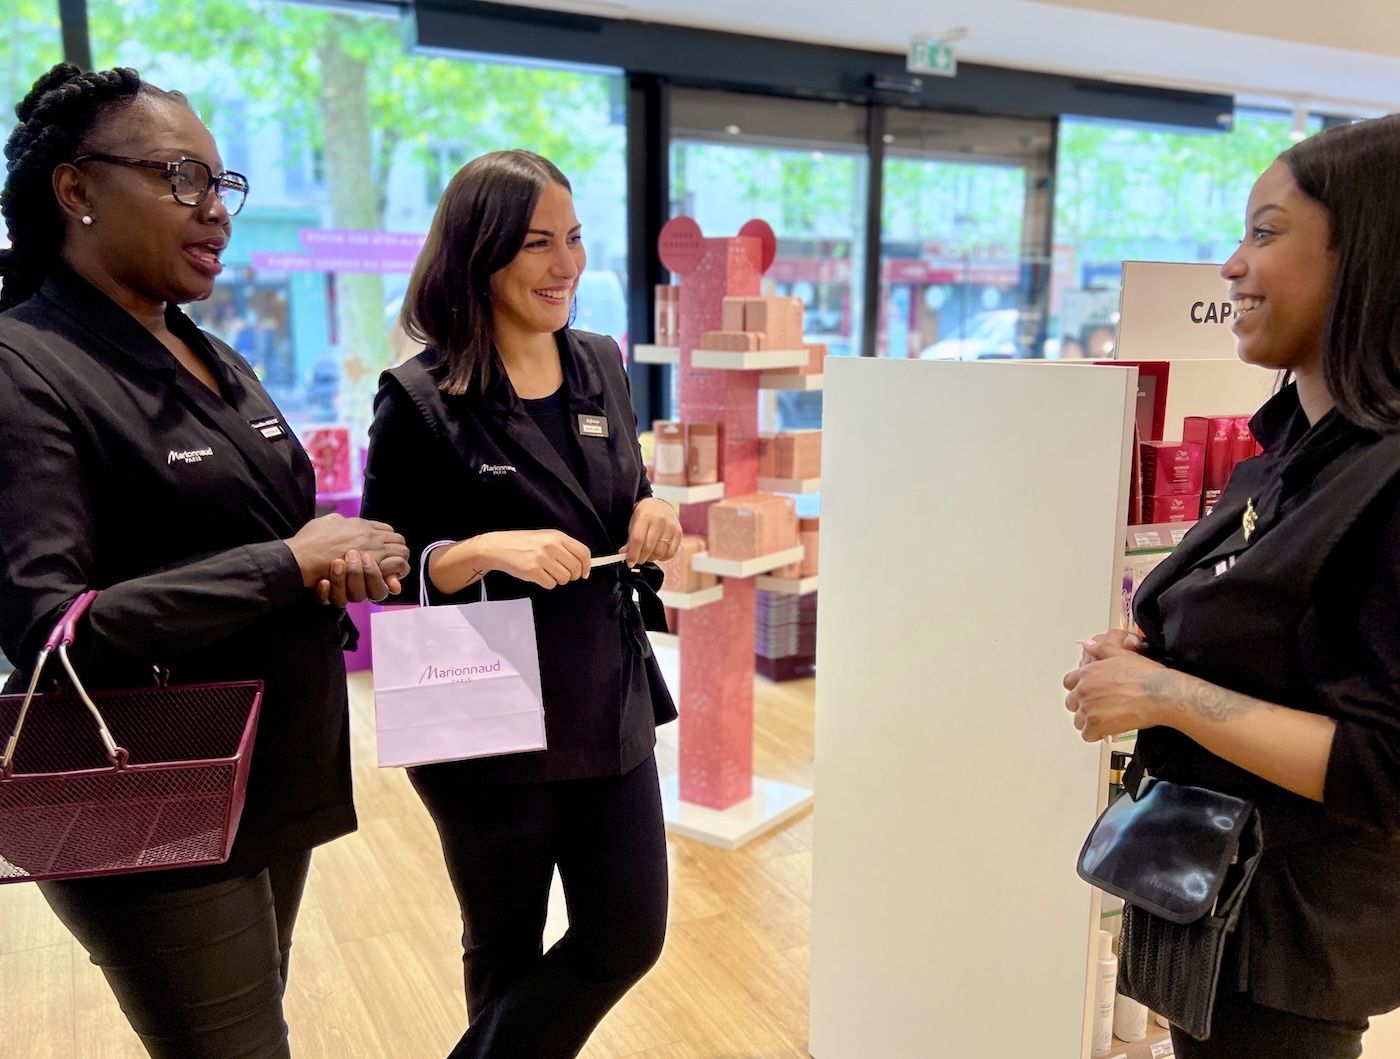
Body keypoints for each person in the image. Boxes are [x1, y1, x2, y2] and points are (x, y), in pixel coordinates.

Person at [0, 64, 411, 1057]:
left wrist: (345, 558)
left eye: (222, 186)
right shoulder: (23, 369)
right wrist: (287, 565)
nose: (215, 212)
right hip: (143, 785)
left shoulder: (212, 354)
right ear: (75, 189)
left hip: (270, 770)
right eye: (182, 178)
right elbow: (49, 630)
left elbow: (256, 537)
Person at [1063, 114, 1400, 1059]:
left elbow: (1387, 767)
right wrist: (1153, 654)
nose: (1230, 267)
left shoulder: (1387, 477)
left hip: (1288, 931)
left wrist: (1163, 692)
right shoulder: (1286, 455)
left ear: (1363, 254)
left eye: (1264, 232)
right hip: (1208, 903)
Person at [360, 149, 681, 1059]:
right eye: (538, 243)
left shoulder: (600, 363)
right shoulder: (422, 396)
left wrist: (651, 511)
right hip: (484, 710)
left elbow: (628, 489)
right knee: (503, 948)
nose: (566, 265)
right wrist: (478, 551)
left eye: (574, 239)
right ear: (479, 254)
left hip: (605, 693)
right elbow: (384, 563)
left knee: (627, 934)